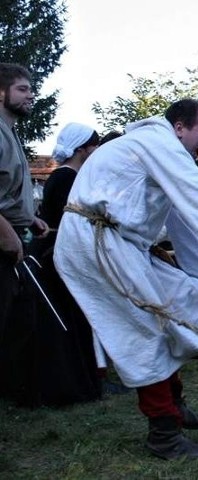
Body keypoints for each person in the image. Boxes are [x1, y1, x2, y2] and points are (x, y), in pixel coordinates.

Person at [53, 99, 198, 460]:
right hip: (98, 242)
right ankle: (164, 433)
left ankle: (175, 405)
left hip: (119, 244)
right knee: (148, 331)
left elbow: (181, 218)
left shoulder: (157, 151)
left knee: (176, 309)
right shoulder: (156, 144)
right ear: (179, 127)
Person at [24, 122, 106, 405]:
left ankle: (91, 379)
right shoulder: (65, 178)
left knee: (82, 317)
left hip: (63, 252)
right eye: (94, 145)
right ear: (83, 148)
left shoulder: (69, 177)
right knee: (75, 318)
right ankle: (82, 381)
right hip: (59, 255)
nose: (96, 150)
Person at [0, 63, 51, 406]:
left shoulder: (10, 131)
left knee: (20, 320)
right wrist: (7, 234)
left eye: (30, 88)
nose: (30, 94)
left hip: (15, 230)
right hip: (2, 238)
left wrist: (30, 219)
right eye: (21, 88)